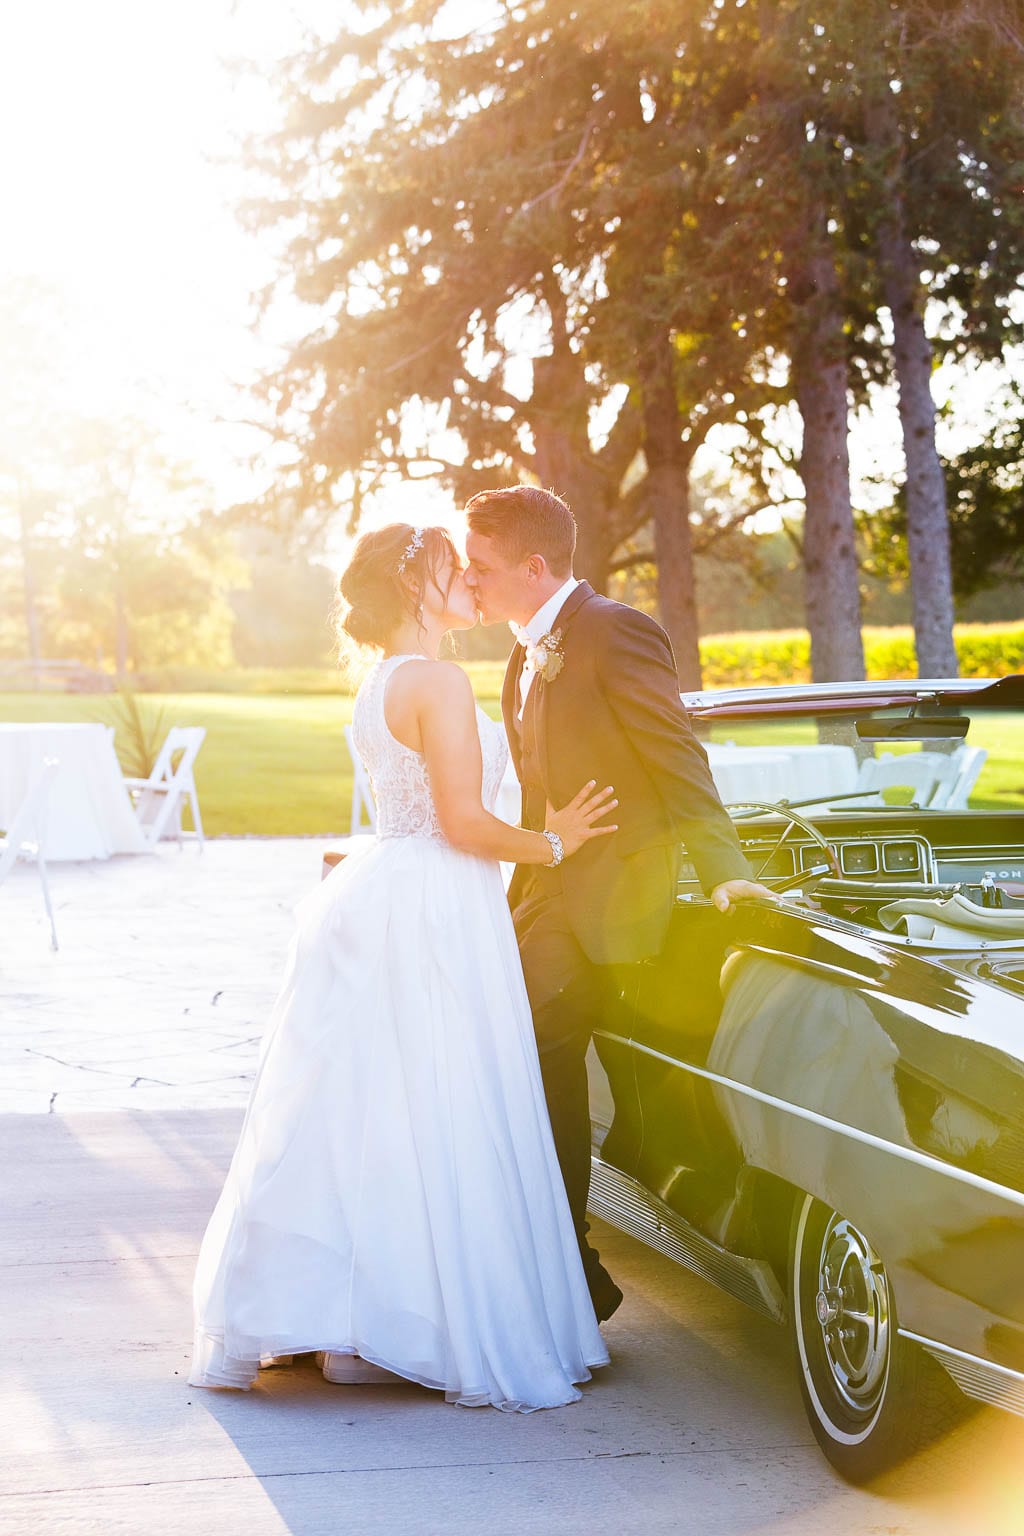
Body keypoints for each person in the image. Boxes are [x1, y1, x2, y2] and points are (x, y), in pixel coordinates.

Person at [189, 522, 615, 1412]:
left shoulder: (378, 681)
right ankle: (394, 1326)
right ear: (413, 586)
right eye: (446, 566)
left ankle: (350, 1329)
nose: (465, 574)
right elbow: (462, 821)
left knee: (372, 1112)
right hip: (438, 900)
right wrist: (554, 841)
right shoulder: (438, 680)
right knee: (440, 1109)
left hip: (390, 890)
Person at [464, 486, 773, 1323]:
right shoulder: (521, 653)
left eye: (482, 566)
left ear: (535, 566)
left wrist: (724, 870)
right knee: (518, 1066)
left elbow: (677, 757)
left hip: (611, 903)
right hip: (541, 894)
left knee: (538, 1055)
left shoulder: (615, 630)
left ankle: (570, 1268)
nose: (470, 579)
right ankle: (568, 1266)